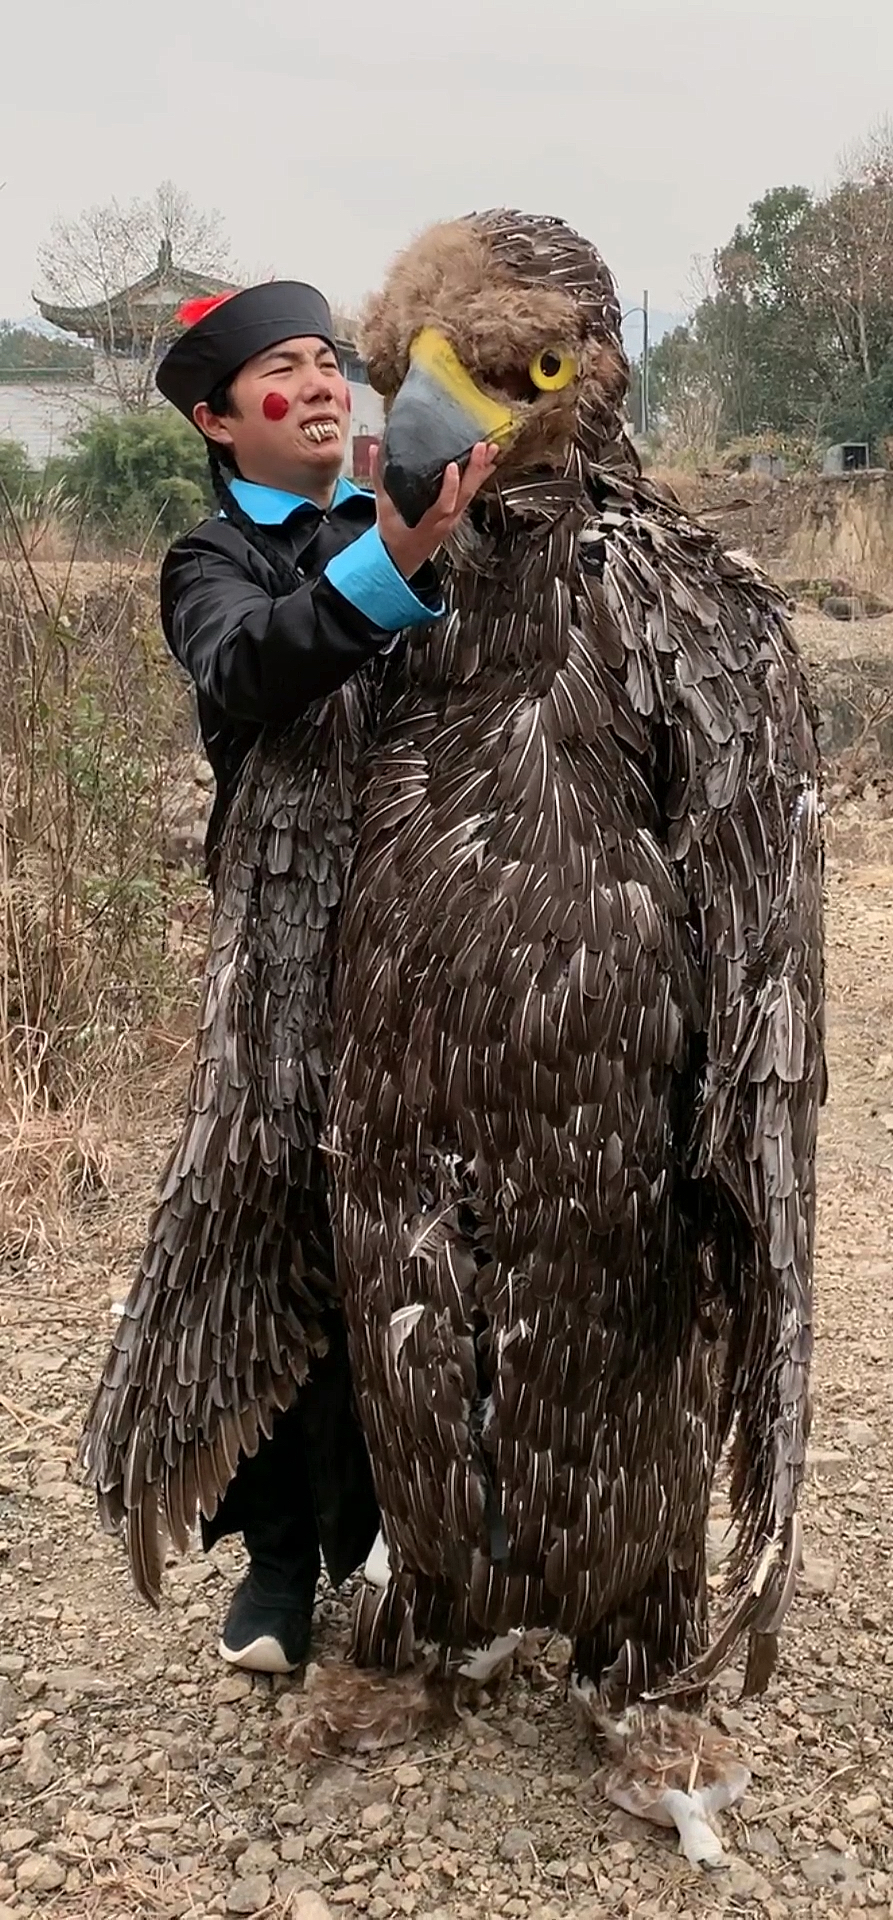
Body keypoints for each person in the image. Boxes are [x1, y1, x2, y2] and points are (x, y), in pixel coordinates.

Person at [153, 280, 496, 1673]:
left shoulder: (403, 513)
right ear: (217, 421)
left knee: (429, 1232)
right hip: (289, 964)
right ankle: (284, 1562)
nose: (315, 386)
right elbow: (246, 672)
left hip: (435, 940)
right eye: (276, 374)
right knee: (282, 1234)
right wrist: (397, 556)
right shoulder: (210, 558)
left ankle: (423, 1530)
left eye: (322, 363)